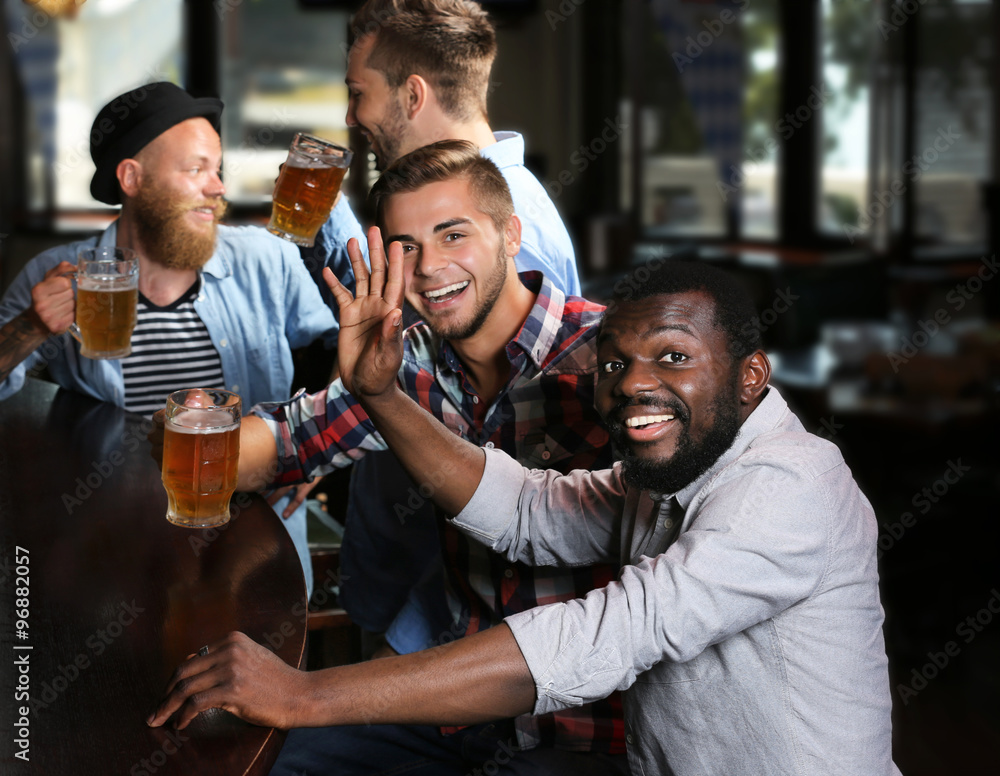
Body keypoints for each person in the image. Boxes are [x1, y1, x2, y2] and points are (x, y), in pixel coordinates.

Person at [148, 255, 902, 776]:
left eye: (674, 357)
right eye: (614, 363)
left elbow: (601, 635)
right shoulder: (675, 467)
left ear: (750, 378)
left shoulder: (789, 487)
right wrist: (381, 394)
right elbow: (529, 509)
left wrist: (305, 693)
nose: (634, 384)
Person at [169, 140, 625, 774]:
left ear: (511, 234)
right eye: (406, 247)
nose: (430, 266)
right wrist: (197, 432)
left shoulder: (612, 359)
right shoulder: (406, 361)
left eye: (453, 235)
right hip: (459, 715)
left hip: (586, 732)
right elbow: (283, 445)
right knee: (270, 762)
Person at [315, 0, 584, 651]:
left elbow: (512, 475)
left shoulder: (513, 242)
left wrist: (410, 639)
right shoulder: (459, 217)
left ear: (413, 94)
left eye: (359, 95)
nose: (351, 119)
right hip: (401, 596)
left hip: (440, 625)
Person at [0, 82, 337, 596]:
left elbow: (349, 355)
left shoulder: (266, 259)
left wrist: (318, 451)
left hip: (254, 545)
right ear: (132, 177)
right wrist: (30, 326)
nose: (218, 187)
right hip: (111, 541)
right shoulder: (57, 272)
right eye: (196, 169)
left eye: (218, 170)